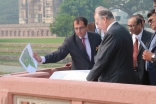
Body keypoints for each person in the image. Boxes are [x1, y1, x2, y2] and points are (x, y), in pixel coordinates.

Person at [86, 8, 137, 84]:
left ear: (104, 19)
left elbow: (102, 60)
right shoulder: (124, 30)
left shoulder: (112, 34)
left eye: (97, 23)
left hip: (114, 80)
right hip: (126, 78)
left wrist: (88, 80)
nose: (98, 27)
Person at [33, 17, 101, 70]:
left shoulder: (96, 37)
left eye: (81, 28)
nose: (79, 31)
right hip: (79, 75)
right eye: (76, 29)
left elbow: (103, 53)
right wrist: (42, 59)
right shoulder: (70, 41)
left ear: (86, 27)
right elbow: (58, 54)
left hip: (95, 74)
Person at [128, 15, 152, 85]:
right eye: (128, 26)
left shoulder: (151, 37)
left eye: (132, 26)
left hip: (145, 76)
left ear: (140, 24)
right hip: (130, 74)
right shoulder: (127, 37)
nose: (130, 28)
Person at [142, 9, 156, 85]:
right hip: (150, 76)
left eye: (151, 20)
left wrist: (152, 57)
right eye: (148, 21)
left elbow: (152, 56)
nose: (149, 23)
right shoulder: (153, 34)